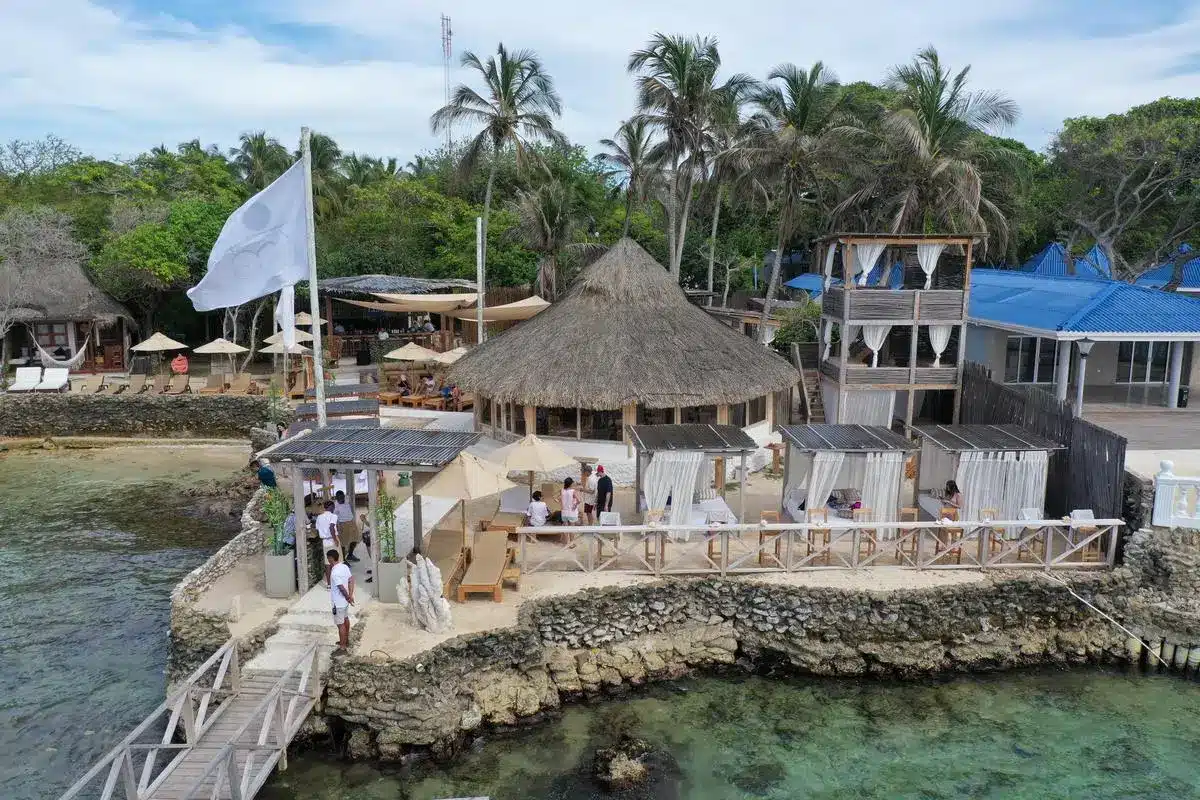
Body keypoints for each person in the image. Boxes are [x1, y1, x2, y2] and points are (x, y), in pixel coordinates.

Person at [327, 550, 354, 651]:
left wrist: (347, 597)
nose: (328, 560)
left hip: (338, 603)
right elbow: (351, 580)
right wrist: (350, 595)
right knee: (346, 619)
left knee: (340, 624)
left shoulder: (334, 572)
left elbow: (341, 588)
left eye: (328, 558)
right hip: (345, 603)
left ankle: (342, 647)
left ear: (331, 558)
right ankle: (345, 640)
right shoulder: (344, 566)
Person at [316, 500, 341, 582]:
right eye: (333, 507)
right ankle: (337, 581)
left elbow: (317, 529)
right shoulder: (333, 516)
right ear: (331, 507)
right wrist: (335, 540)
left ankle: (329, 584)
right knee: (336, 562)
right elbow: (331, 527)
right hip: (332, 539)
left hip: (325, 542)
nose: (334, 508)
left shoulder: (319, 517)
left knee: (327, 563)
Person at [334, 490, 360, 563]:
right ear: (336, 498)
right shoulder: (336, 506)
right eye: (339, 498)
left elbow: (349, 495)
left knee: (355, 539)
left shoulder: (346, 500)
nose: (341, 499)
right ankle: (343, 559)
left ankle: (350, 555)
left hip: (351, 523)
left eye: (342, 497)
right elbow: (335, 518)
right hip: (343, 524)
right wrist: (337, 527)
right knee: (343, 543)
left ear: (344, 496)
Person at [358, 513, 374, 584]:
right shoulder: (369, 512)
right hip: (367, 536)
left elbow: (373, 525)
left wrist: (364, 520)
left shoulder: (374, 513)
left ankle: (375, 575)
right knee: (371, 556)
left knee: (373, 556)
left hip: (371, 536)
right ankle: (375, 570)